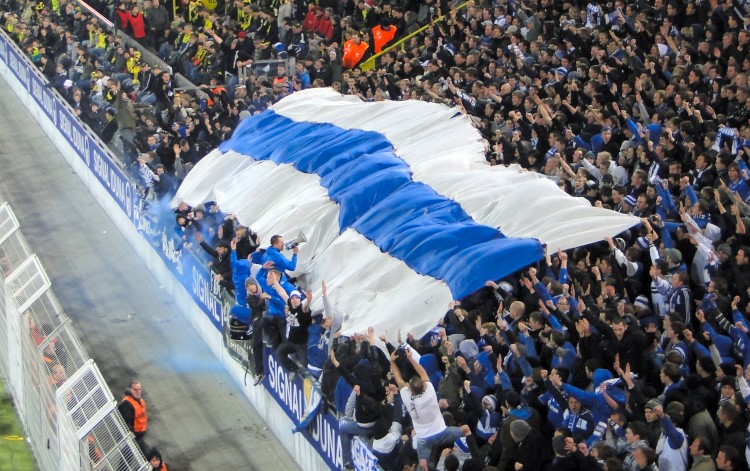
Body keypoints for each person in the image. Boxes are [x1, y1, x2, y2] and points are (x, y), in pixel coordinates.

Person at [389, 345, 464, 470]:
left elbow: (398, 378)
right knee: (465, 432)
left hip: (424, 439)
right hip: (441, 432)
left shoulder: (407, 398)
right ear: (423, 385)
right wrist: (411, 359)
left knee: (423, 464)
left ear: (410, 389)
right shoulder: (430, 391)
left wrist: (392, 362)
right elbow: (423, 372)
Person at [118, 381, 147, 451]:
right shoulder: (126, 404)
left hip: (139, 436)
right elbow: (126, 424)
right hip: (132, 437)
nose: (138, 392)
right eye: (135, 390)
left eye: (139, 389)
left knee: (128, 456)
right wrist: (132, 437)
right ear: (130, 390)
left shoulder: (140, 400)